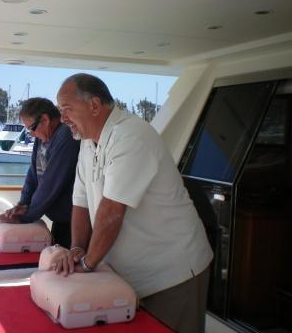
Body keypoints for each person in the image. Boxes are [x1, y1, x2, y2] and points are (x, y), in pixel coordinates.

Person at [54, 73, 213, 333]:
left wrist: (87, 264)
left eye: (67, 109)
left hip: (172, 273)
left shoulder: (130, 135)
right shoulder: (86, 143)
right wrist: (76, 250)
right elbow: (81, 202)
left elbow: (112, 210)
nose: (62, 119)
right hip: (126, 276)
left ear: (95, 105)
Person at [0, 97, 80, 248]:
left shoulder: (66, 136)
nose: (32, 134)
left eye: (32, 128)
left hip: (74, 223)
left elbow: (50, 183)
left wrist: (25, 216)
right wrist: (22, 204)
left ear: (45, 120)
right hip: (59, 220)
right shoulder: (41, 138)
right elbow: (33, 174)